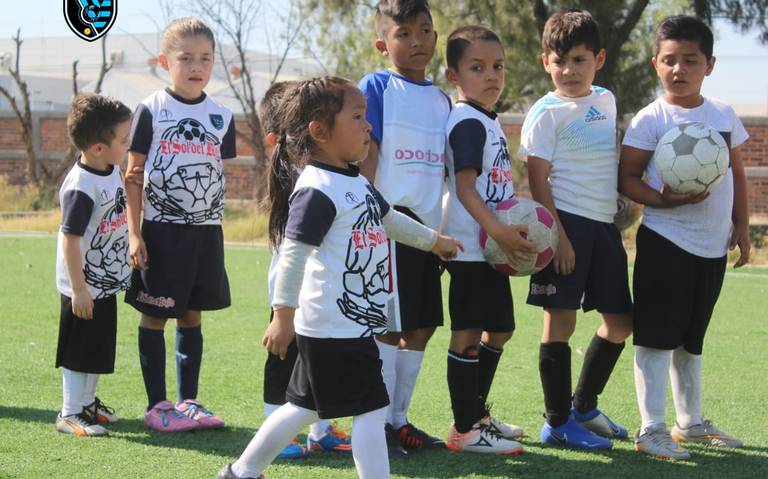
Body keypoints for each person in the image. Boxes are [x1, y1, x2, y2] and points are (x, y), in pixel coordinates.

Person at [218, 76, 460, 479]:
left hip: (343, 326)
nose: (368, 126)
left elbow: (390, 219)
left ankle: (241, 473)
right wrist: (282, 315)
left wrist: (433, 241)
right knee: (370, 408)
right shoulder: (317, 189)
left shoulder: (355, 180)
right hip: (335, 326)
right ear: (319, 130)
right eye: (358, 117)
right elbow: (293, 255)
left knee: (302, 407)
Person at [620, 15, 750, 460]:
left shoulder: (723, 114)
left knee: (691, 339)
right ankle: (650, 428)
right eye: (669, 60)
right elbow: (628, 178)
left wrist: (742, 225)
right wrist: (664, 201)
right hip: (665, 241)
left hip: (712, 245)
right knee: (656, 338)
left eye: (689, 60)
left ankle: (689, 423)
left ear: (708, 64)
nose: (679, 69)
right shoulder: (650, 119)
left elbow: (736, 172)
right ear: (656, 64)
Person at [519, 9, 633, 450]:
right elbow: (536, 179)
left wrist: (624, 202)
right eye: (559, 60)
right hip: (564, 226)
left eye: (579, 59)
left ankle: (583, 406)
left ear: (599, 59)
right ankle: (557, 422)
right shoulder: (545, 113)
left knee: (621, 322)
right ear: (546, 60)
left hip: (604, 229)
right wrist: (559, 237)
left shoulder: (605, 100)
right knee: (559, 324)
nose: (568, 70)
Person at [125, 17, 236, 432]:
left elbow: (215, 174)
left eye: (205, 58)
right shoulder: (151, 109)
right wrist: (135, 233)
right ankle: (158, 406)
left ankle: (189, 401)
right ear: (163, 62)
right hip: (160, 231)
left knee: (192, 316)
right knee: (155, 316)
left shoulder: (222, 116)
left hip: (206, 232)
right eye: (186, 57)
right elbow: (133, 175)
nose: (197, 66)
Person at [357, 0, 452, 452]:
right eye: (404, 33)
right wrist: (366, 216)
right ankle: (375, 425)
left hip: (426, 231)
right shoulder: (376, 87)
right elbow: (366, 155)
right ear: (383, 43)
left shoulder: (442, 99)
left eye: (425, 31)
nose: (417, 41)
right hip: (386, 224)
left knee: (422, 326)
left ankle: (399, 421)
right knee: (389, 326)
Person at [440, 25, 535, 455]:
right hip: (470, 248)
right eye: (477, 67)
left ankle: (477, 416)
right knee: (467, 333)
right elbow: (464, 189)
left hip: (490, 250)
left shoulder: (488, 120)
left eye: (497, 66)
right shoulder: (466, 123)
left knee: (501, 330)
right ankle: (465, 430)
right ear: (453, 75)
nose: (491, 75)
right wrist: (497, 230)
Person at [258, 80, 352, 458]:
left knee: (320, 362)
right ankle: (276, 431)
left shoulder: (328, 169)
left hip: (322, 290)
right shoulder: (296, 174)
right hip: (292, 288)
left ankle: (321, 430)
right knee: (284, 358)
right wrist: (282, 311)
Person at [54, 93, 132, 436]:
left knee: (98, 347)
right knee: (79, 348)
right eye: (124, 140)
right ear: (98, 147)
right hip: (83, 285)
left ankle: (87, 404)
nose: (128, 145)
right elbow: (69, 239)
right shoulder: (81, 187)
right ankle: (70, 412)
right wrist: (78, 289)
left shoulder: (109, 168)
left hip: (104, 281)